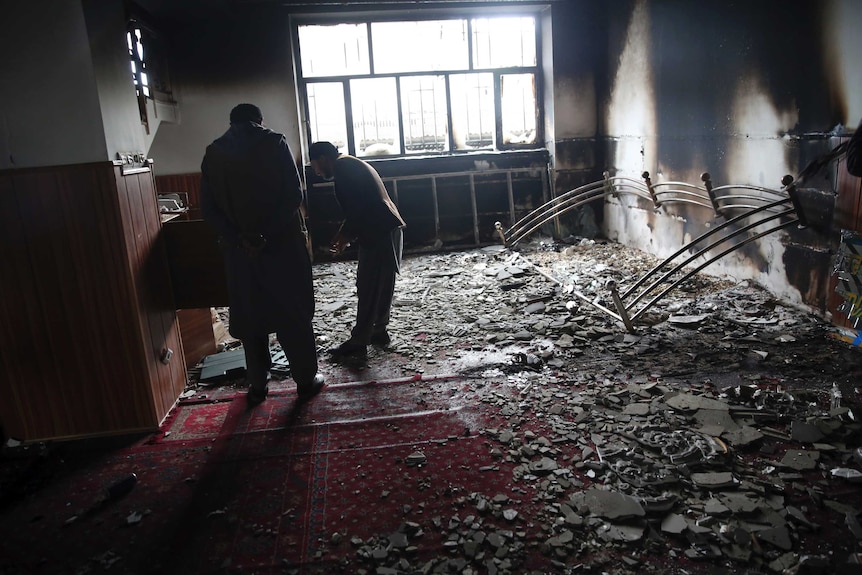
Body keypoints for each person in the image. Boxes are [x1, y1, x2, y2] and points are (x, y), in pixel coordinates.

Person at [200, 104, 324, 405]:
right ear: (259, 120)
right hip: (281, 247)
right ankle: (305, 380)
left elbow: (209, 210)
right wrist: (264, 234)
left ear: (231, 123)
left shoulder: (214, 153)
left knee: (250, 313)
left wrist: (239, 238)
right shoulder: (274, 143)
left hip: (240, 253)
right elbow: (295, 195)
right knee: (291, 313)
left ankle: (257, 384)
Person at [308, 141, 406, 357]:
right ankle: (379, 330)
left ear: (323, 158)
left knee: (369, 285)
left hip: (379, 229)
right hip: (385, 227)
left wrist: (345, 235)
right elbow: (360, 205)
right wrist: (344, 234)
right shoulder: (350, 163)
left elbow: (357, 208)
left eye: (314, 165)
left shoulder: (343, 168)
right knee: (381, 284)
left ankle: (360, 340)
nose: (315, 171)